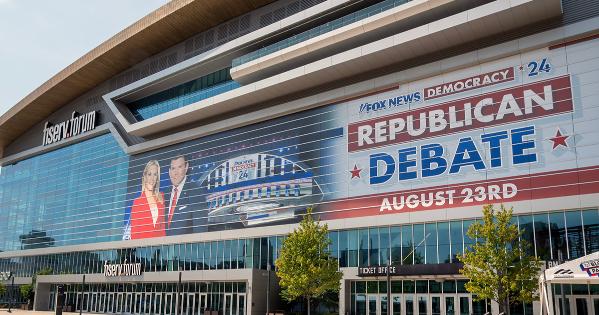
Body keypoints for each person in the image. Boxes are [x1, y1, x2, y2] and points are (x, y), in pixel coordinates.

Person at [165, 154, 203, 235]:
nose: (176, 173)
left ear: (186, 167)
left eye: (180, 167)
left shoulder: (196, 191)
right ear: (169, 171)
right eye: (173, 168)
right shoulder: (164, 194)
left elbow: (200, 230)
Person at [130, 160, 166, 239]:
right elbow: (134, 234)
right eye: (149, 174)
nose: (152, 179)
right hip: (143, 249)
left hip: (160, 248)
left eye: (155, 174)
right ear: (145, 176)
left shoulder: (161, 198)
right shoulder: (137, 203)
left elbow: (163, 229)